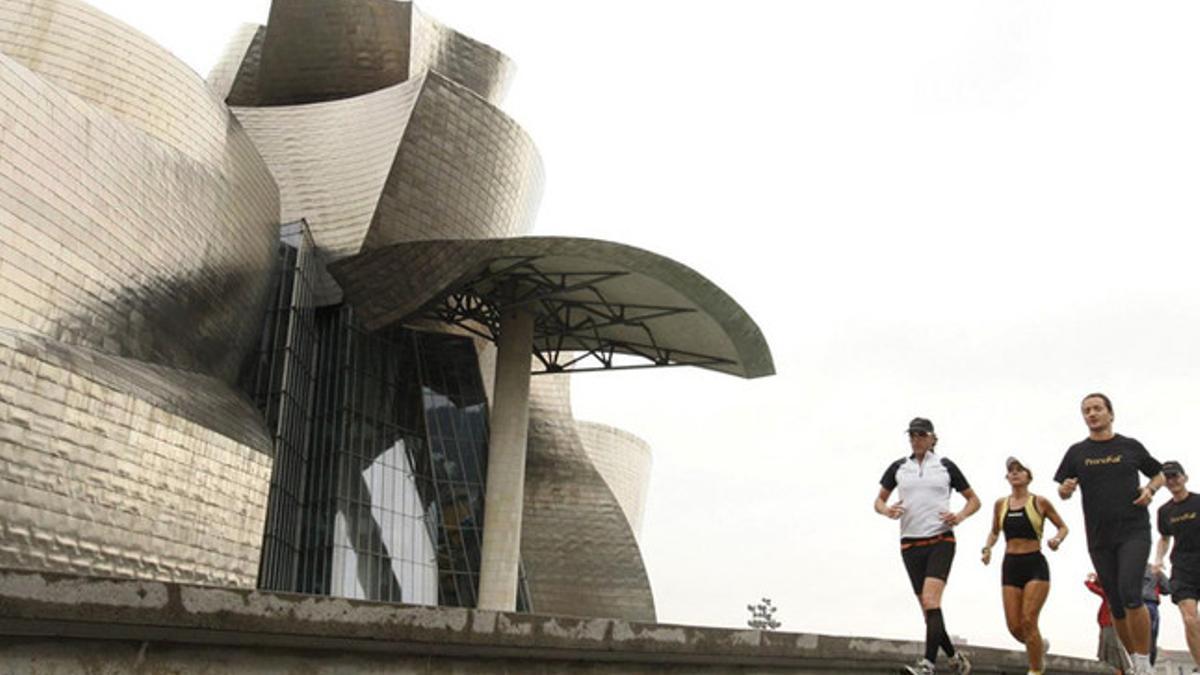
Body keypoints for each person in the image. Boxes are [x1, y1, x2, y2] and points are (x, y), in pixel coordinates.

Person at [1055, 393, 1164, 675]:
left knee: (1131, 593)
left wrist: (1149, 490)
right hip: (1099, 536)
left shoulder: (1129, 446)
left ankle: (1144, 662)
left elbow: (1160, 473)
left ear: (1110, 414)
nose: (1091, 414)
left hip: (1133, 530)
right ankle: (1132, 664)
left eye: (1097, 409)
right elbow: (1063, 489)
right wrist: (1065, 490)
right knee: (1115, 604)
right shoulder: (1077, 452)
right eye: (1086, 410)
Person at [876, 417, 981, 675]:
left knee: (932, 600)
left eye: (921, 434)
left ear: (933, 438)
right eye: (912, 435)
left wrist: (960, 516)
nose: (916, 439)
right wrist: (887, 510)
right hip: (910, 544)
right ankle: (955, 658)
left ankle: (927, 666)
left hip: (940, 539)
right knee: (928, 610)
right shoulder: (899, 467)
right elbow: (878, 501)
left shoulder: (945, 466)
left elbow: (974, 500)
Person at [981, 456, 1068, 675]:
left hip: (1035, 565)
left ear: (1029, 476)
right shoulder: (1000, 504)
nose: (1015, 473)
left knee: (1029, 619)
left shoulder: (1040, 502)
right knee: (1015, 627)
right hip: (1010, 566)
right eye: (1011, 470)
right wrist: (987, 547)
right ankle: (1039, 645)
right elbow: (994, 531)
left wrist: (1056, 540)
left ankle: (1035, 670)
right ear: (1007, 477)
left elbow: (1063, 527)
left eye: (1020, 470)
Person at [1152, 460, 1200, 670]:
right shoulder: (1164, 511)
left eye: (1176, 476)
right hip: (1182, 568)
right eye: (1168, 478)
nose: (1172, 481)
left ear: (1185, 477)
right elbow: (1164, 538)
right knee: (1190, 620)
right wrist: (1158, 559)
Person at [1088, 572, 1134, 675]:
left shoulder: (1112, 593)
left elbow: (1094, 588)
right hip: (1108, 624)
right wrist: (1096, 579)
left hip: (1109, 624)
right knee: (1112, 648)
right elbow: (1101, 584)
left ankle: (1118, 671)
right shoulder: (1119, 591)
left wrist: (1089, 581)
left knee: (1112, 648)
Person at [1141, 562, 1169, 665]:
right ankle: (1149, 666)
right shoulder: (1156, 571)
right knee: (1151, 638)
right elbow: (1167, 588)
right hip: (1151, 604)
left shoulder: (1129, 567)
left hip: (1133, 606)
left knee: (1133, 638)